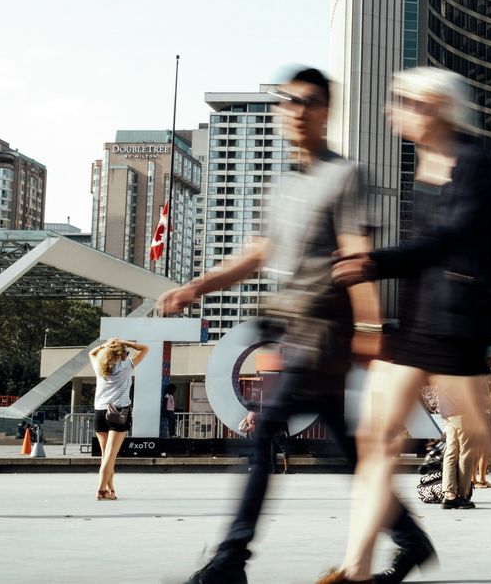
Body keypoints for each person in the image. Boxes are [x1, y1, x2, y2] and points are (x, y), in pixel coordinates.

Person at [164, 67, 431, 584]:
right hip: (289, 332)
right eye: (288, 101)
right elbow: (259, 253)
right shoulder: (282, 183)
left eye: (308, 101)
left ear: (327, 111)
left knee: (263, 433)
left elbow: (358, 254)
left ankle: (230, 560)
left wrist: (371, 329)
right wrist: (199, 286)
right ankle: (412, 540)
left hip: (325, 332)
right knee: (346, 451)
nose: (297, 110)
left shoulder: (345, 176)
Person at [327, 67, 491, 584]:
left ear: (437, 106)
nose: (395, 109)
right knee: (377, 440)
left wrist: (375, 261)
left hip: (458, 327)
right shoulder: (425, 167)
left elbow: (450, 237)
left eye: (406, 100)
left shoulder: (474, 162)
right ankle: (354, 570)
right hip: (420, 324)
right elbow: (429, 255)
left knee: (485, 444)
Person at [88, 338, 148, 500]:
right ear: (120, 354)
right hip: (118, 412)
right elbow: (145, 348)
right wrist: (126, 343)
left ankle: (110, 488)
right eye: (125, 352)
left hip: (100, 411)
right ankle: (101, 490)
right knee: (111, 455)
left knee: (106, 455)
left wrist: (105, 345)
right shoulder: (126, 365)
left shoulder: (100, 367)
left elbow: (91, 353)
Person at [438, 390, 475, 509]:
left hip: (446, 412)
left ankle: (449, 495)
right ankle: (463, 495)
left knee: (451, 451)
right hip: (462, 410)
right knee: (466, 452)